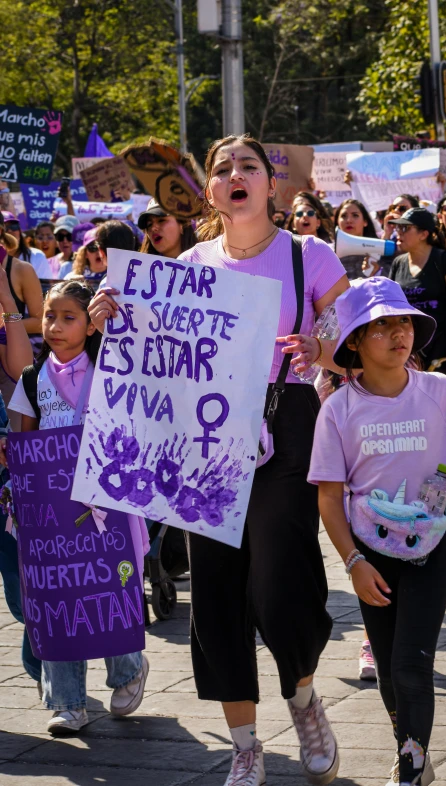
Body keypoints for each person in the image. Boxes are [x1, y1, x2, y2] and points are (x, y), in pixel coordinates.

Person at [88, 133, 349, 786]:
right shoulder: (190, 264)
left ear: (270, 184)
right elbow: (152, 349)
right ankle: (245, 744)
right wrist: (108, 317)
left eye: (249, 166)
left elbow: (347, 330)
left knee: (281, 584)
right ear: (210, 190)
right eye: (222, 168)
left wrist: (320, 350)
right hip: (202, 437)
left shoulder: (306, 254)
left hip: (284, 423)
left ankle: (303, 697)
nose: (236, 175)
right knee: (217, 592)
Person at [308, 276, 446, 786]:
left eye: (403, 320)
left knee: (410, 664)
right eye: (380, 325)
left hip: (431, 548)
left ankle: (411, 768)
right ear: (354, 341)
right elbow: (329, 499)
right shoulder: (338, 409)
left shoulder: (441, 392)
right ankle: (410, 751)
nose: (397, 333)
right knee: (387, 673)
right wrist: (353, 565)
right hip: (370, 556)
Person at [7, 280, 150, 735]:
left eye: (69, 317)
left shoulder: (112, 369)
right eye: (49, 316)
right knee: (56, 599)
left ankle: (127, 669)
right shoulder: (32, 379)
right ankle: (67, 702)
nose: (54, 326)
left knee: (106, 588)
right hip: (50, 512)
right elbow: (22, 441)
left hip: (104, 505)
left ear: (91, 325)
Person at [0, 260, 39, 690]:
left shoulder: (14, 271)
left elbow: (20, 368)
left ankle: (46, 666)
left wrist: (7, 300)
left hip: (8, 441)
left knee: (18, 577)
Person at [388, 208, 446, 377]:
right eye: (398, 228)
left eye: (405, 228)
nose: (399, 233)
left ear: (423, 234)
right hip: (407, 349)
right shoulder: (398, 263)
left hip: (440, 348)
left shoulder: (444, 260)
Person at [333, 198, 378, 280]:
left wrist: (377, 273)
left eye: (355, 215)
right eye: (344, 216)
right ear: (337, 223)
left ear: (365, 222)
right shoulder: (329, 254)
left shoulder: (378, 251)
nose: (349, 220)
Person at [2, 212, 52, 279]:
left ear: (19, 231)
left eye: (14, 226)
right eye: (5, 227)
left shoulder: (36, 256)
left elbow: (45, 287)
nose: (10, 231)